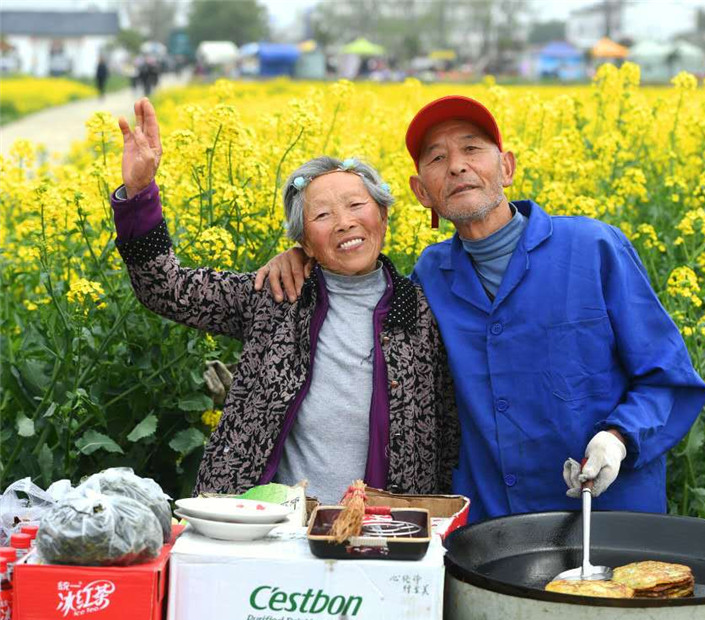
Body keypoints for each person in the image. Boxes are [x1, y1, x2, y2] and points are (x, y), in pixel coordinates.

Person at [259, 95, 705, 522]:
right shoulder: (429, 277)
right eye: (437, 158)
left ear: (506, 167)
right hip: (491, 528)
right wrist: (303, 259)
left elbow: (668, 379)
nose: (457, 166)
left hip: (607, 517)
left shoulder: (595, 248)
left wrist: (619, 437)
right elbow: (362, 327)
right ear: (421, 192)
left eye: (472, 149)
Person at [110, 98, 459, 503]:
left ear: (383, 216)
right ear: (303, 241)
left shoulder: (422, 310)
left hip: (385, 525)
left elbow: (451, 430)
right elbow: (167, 289)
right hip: (269, 522)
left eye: (356, 205)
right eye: (322, 215)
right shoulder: (277, 296)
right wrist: (139, 194)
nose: (344, 222)